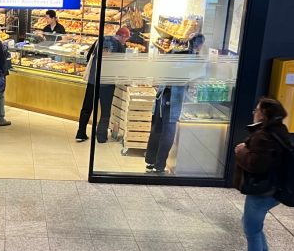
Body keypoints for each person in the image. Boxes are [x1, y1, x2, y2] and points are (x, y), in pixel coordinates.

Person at [230, 97, 291, 251]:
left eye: (257, 109)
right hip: (274, 189)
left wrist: (241, 151)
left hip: (261, 191)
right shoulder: (280, 131)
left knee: (251, 230)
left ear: (264, 115)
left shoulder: (263, 136)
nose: (254, 112)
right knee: (254, 226)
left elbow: (257, 165)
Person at [144, 34, 206, 173]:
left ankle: (150, 161)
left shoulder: (175, 52)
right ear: (200, 45)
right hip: (173, 98)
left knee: (157, 128)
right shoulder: (195, 60)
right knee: (168, 132)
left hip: (162, 94)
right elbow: (193, 81)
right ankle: (159, 166)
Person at [76, 27, 129, 143]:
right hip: (107, 83)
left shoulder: (100, 39)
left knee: (87, 107)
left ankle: (80, 133)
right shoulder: (120, 46)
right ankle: (101, 137)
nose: (126, 41)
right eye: (126, 38)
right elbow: (122, 65)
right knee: (105, 110)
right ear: (123, 36)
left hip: (93, 80)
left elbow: (88, 56)